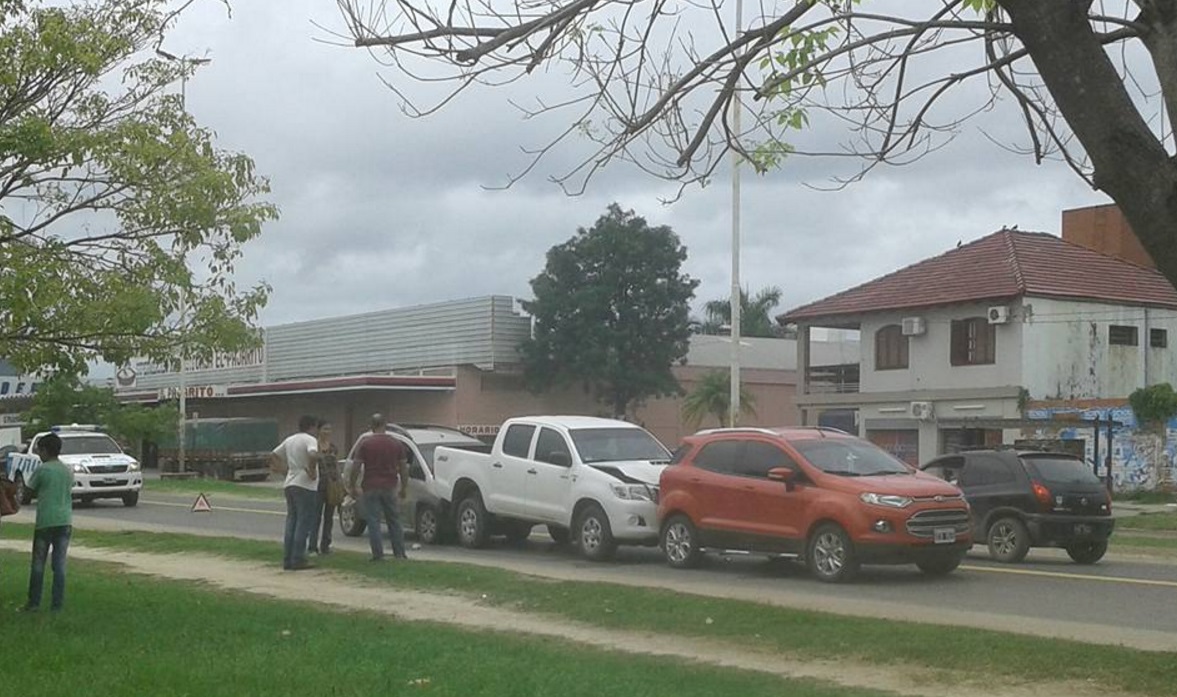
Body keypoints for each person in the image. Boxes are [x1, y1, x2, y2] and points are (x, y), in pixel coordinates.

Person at [23, 432, 73, 612]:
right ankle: (56, 605)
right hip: (65, 521)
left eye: (39, 451)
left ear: (44, 450)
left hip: (45, 522)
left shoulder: (42, 470)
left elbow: (28, 493)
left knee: (38, 564)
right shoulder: (67, 470)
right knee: (59, 565)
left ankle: (34, 603)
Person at [349, 413, 409, 561]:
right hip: (390, 485)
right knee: (394, 520)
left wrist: (352, 484)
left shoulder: (365, 443)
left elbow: (356, 466)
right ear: (385, 425)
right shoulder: (396, 443)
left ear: (371, 426)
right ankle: (399, 553)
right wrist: (404, 487)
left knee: (373, 521)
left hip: (370, 485)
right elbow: (403, 467)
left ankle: (378, 554)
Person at [269, 415, 319, 570]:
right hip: (305, 484)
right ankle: (298, 558)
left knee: (292, 521)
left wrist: (283, 470)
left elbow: (274, 454)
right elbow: (313, 454)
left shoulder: (290, 439)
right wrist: (311, 470)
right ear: (312, 427)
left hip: (290, 482)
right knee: (303, 523)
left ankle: (287, 558)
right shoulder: (310, 439)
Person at [307, 420, 342, 555]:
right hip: (317, 485)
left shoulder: (333, 447)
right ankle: (312, 546)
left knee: (329, 517)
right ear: (318, 430)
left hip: (331, 485)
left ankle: (325, 546)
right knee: (315, 517)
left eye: (329, 429)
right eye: (324, 429)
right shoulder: (313, 446)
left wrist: (340, 482)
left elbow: (337, 465)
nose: (327, 432)